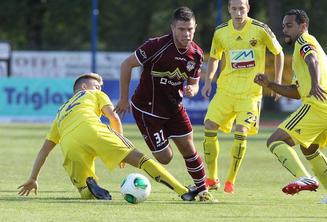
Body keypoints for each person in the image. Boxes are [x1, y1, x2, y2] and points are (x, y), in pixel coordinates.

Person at [18, 73, 201, 201]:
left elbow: (44, 150)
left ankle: (89, 187)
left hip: (69, 144)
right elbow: (113, 116)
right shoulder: (94, 93)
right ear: (84, 87)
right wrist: (121, 143)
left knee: (82, 189)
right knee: (141, 159)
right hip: (92, 130)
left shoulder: (60, 112)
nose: (100, 87)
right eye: (97, 85)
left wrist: (33, 178)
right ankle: (183, 190)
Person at [114, 7, 215, 201]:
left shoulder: (197, 54)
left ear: (195, 28)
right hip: (147, 109)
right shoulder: (156, 46)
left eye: (190, 29)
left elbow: (193, 83)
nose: (186, 34)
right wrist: (124, 99)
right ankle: (127, 155)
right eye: (181, 29)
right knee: (165, 158)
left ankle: (203, 190)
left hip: (174, 107)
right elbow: (126, 65)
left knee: (188, 147)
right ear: (172, 28)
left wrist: (192, 90)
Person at [254, 9, 327, 204]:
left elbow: (312, 59)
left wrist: (315, 84)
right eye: (283, 27)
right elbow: (296, 91)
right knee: (309, 149)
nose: (284, 30)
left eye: (289, 26)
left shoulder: (305, 41)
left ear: (303, 26)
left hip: (319, 105)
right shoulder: (298, 52)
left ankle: (306, 178)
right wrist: (269, 85)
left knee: (275, 141)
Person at [201, 0, 284, 193]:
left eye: (241, 8)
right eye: (234, 8)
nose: (238, 12)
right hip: (225, 90)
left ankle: (230, 180)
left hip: (250, 93)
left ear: (248, 8)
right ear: (229, 9)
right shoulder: (221, 31)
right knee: (209, 126)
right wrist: (208, 80)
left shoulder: (260, 29)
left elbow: (278, 53)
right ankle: (212, 178)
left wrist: (277, 82)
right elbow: (214, 57)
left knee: (241, 131)